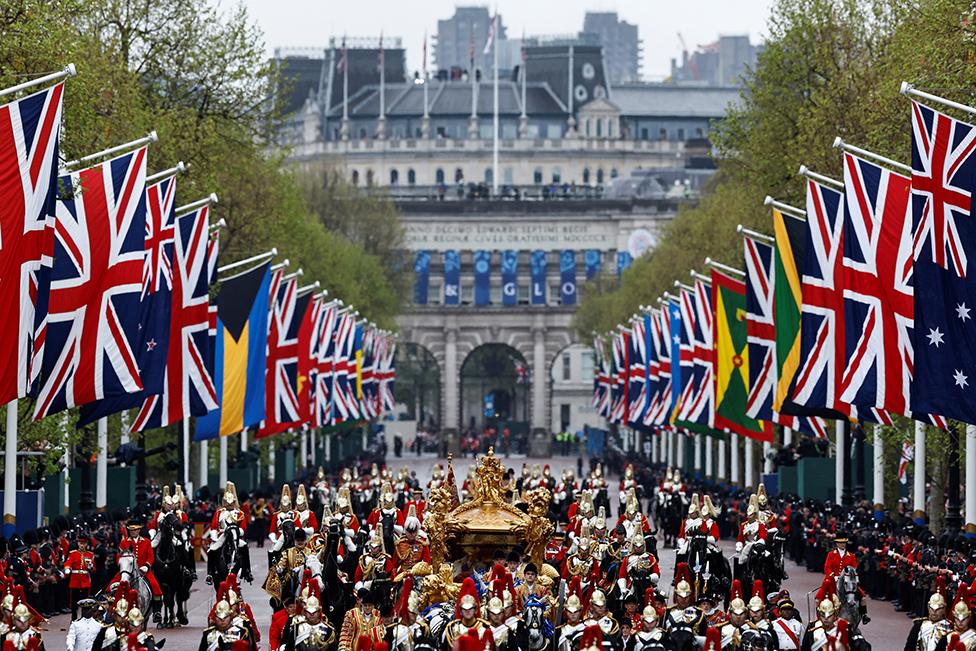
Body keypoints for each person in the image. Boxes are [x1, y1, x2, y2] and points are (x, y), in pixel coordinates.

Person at [64, 531, 95, 620]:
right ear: (78, 543)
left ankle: (83, 619)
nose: (82, 545)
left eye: (83, 543)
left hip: (85, 581)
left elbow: (93, 569)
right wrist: (67, 568)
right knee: (74, 603)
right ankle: (73, 620)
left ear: (86, 544)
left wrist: (91, 567)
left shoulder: (90, 555)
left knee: (85, 603)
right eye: (80, 543)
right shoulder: (73, 554)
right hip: (75, 581)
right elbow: (68, 562)